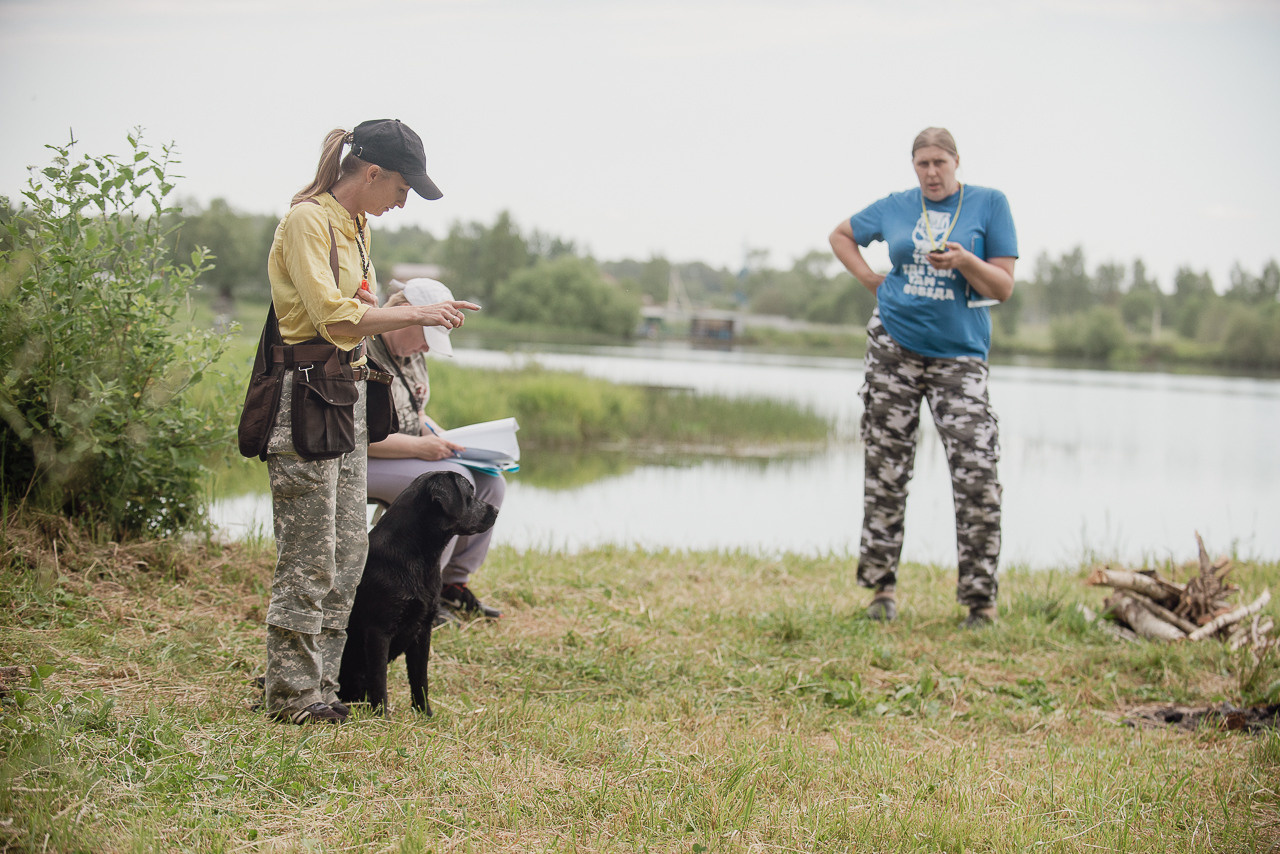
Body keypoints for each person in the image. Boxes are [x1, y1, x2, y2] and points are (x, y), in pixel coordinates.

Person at [262, 119, 479, 725]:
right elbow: (334, 318)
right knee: (309, 557)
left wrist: (419, 316)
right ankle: (292, 696)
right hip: (306, 399)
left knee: (346, 555)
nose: (404, 201)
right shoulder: (309, 220)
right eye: (403, 187)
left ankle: (326, 685)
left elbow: (360, 314)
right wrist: (414, 312)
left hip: (346, 399)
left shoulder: (354, 228)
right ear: (373, 171)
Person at [828, 127, 1017, 628]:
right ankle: (881, 591)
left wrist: (965, 260)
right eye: (922, 164)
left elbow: (1003, 286)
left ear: (957, 162)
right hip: (894, 345)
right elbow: (840, 234)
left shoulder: (989, 205)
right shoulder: (895, 206)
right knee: (887, 467)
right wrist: (871, 279)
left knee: (977, 471)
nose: (931, 173)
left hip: (959, 357)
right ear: (913, 166)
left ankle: (980, 601)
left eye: (940, 162)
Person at [366, 278, 506, 626]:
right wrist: (422, 447)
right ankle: (418, 595)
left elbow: (418, 412)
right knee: (449, 486)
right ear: (402, 314)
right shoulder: (362, 348)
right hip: (363, 460)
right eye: (426, 337)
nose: (426, 349)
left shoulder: (410, 354)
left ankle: (452, 583)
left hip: (406, 453)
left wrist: (448, 440)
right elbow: (363, 438)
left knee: (490, 483)